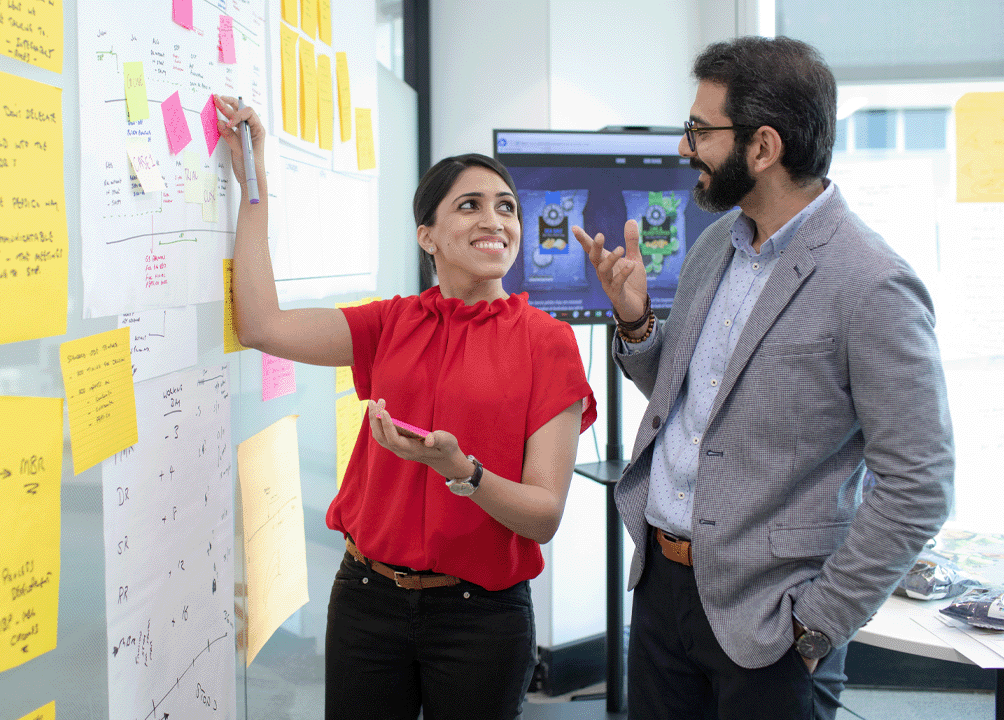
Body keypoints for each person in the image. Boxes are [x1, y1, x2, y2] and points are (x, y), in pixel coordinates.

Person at [573, 37, 953, 719]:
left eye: (699, 130)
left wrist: (816, 626)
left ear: (764, 147)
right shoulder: (716, 244)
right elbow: (688, 401)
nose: (686, 149)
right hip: (663, 592)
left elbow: (920, 484)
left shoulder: (873, 283)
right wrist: (635, 320)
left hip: (774, 622)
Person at [211, 95, 597, 720]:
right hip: (367, 601)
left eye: (507, 208)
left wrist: (462, 471)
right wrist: (251, 185)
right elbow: (260, 325)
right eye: (469, 205)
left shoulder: (547, 343)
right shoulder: (392, 323)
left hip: (482, 617)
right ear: (428, 236)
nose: (494, 219)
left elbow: (543, 515)